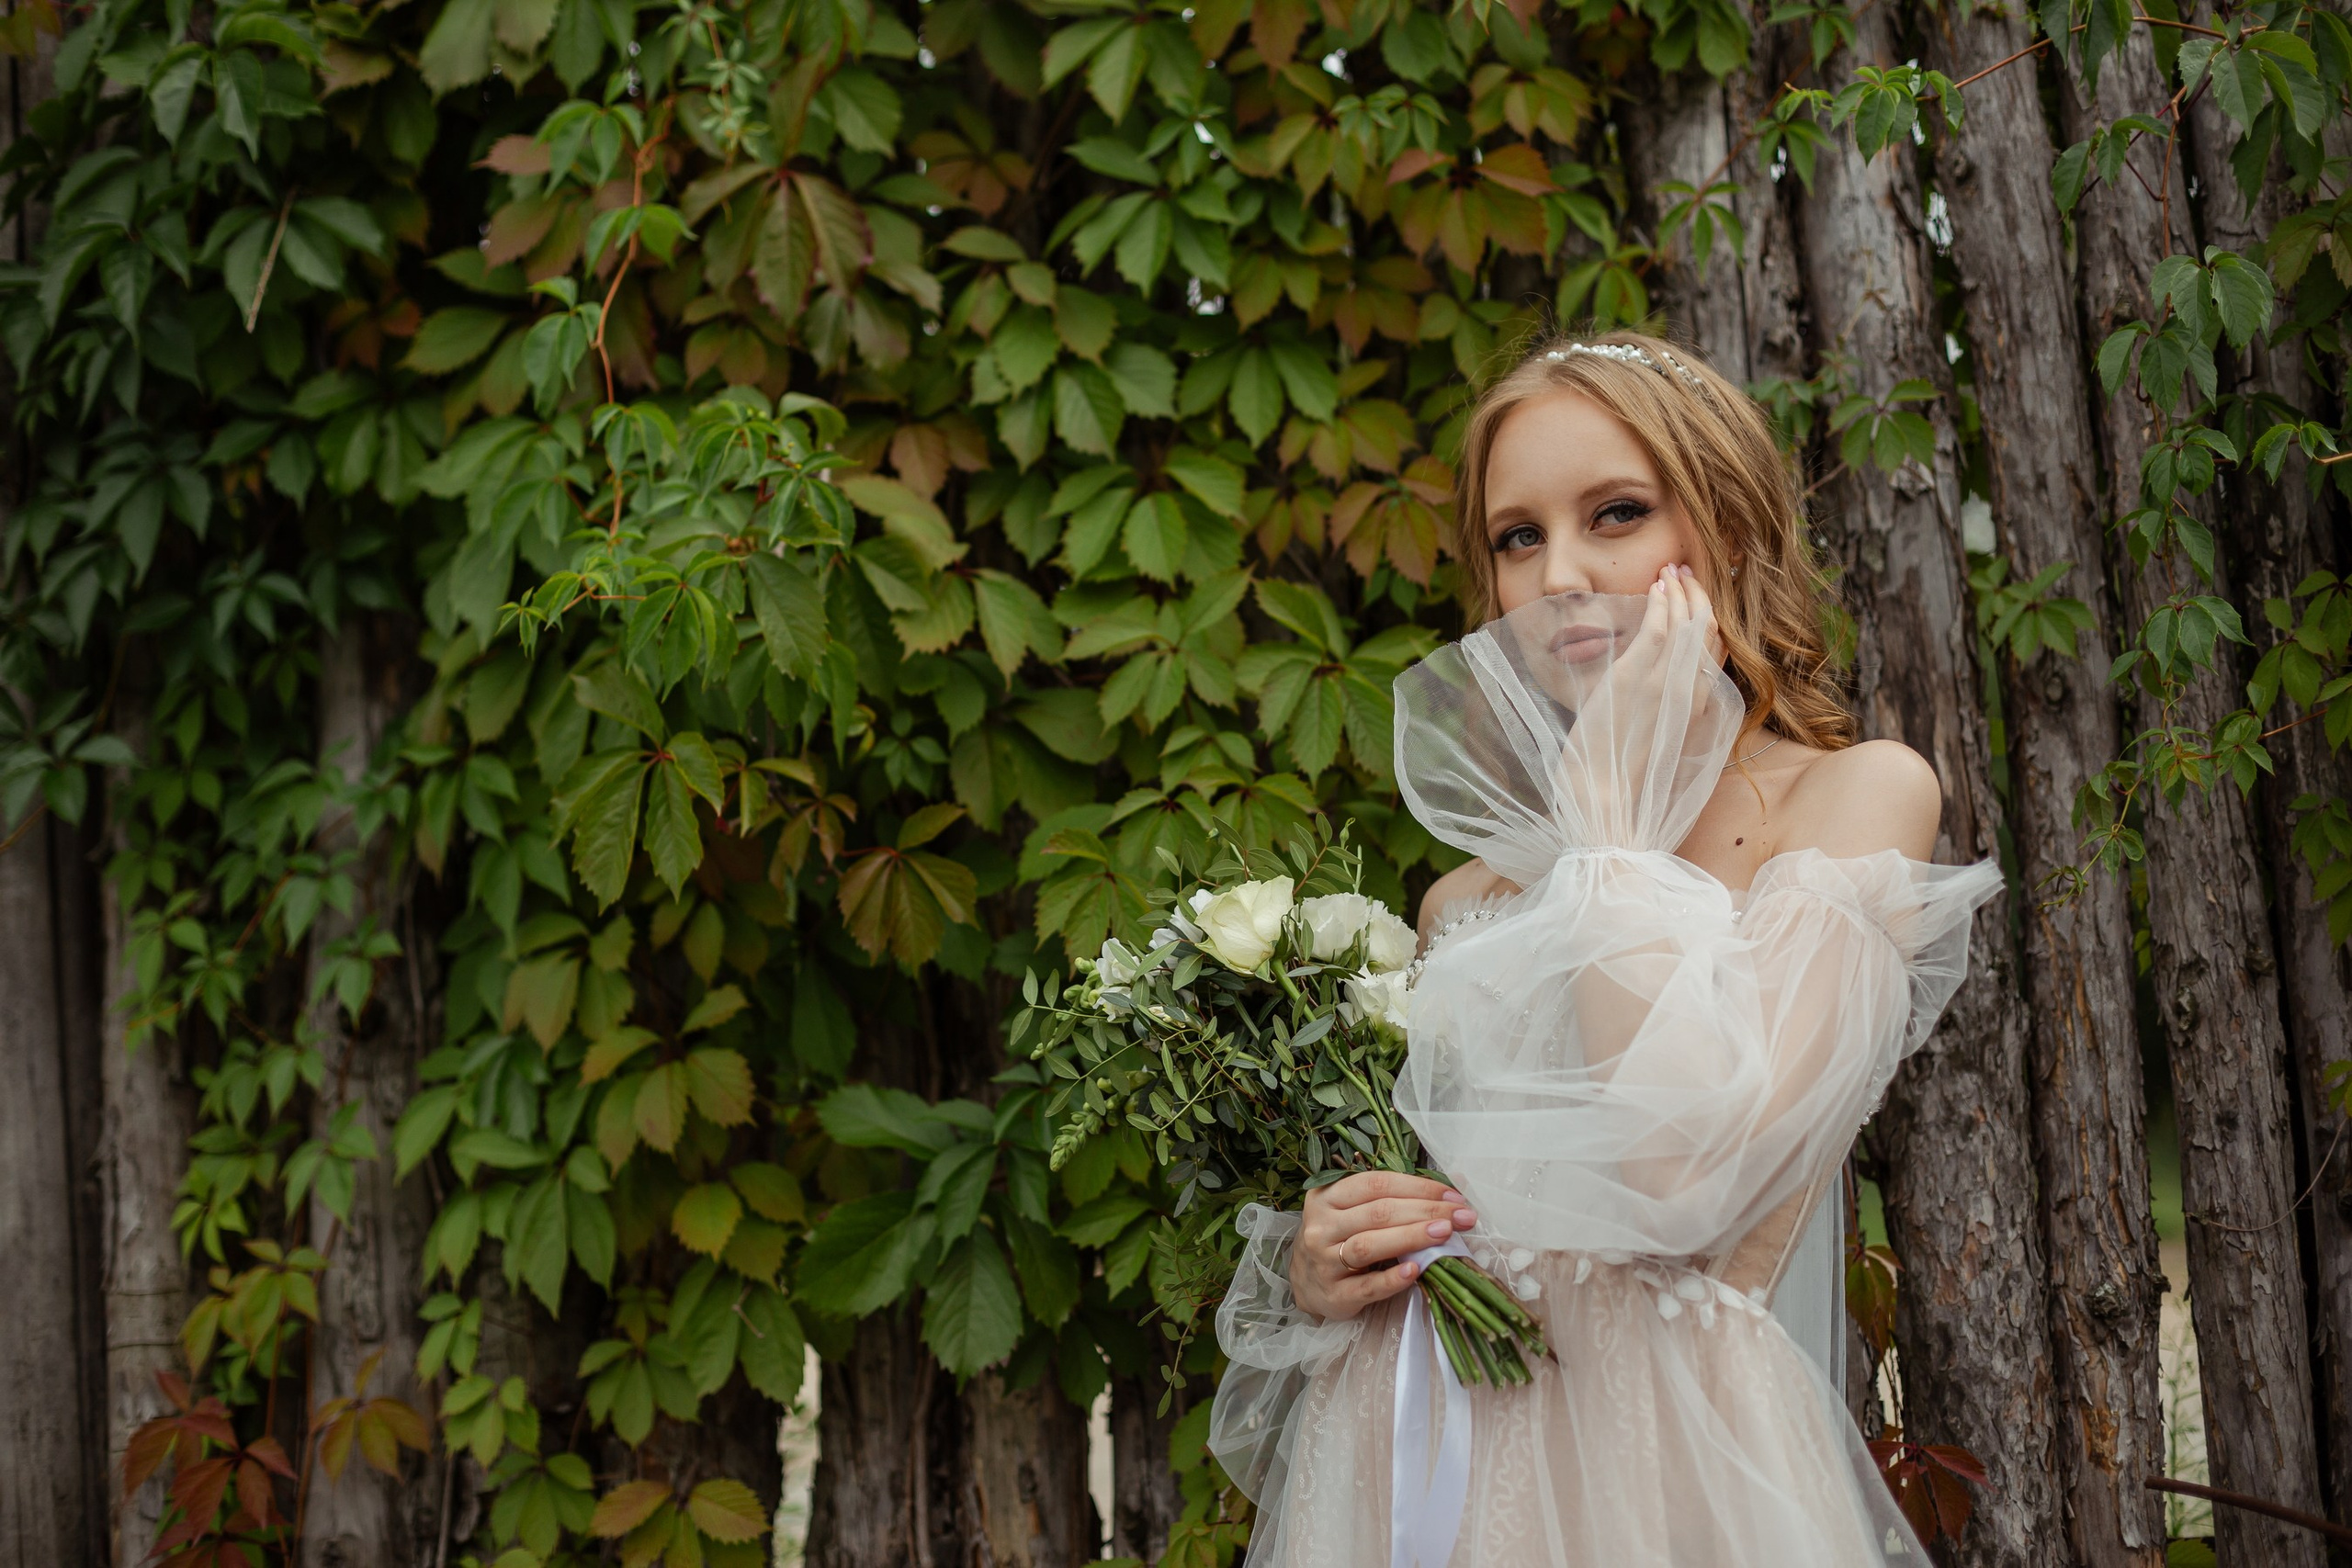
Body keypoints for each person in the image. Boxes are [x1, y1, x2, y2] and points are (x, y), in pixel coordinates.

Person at [1206, 332, 2003, 1565]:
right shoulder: (1461, 897)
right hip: (1420, 1438)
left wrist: (1614, 840)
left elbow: (1680, 1187)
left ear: (1728, 531)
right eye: (1517, 537)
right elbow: (1473, 1201)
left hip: (1660, 1456)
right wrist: (1334, 1254)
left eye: (1616, 514)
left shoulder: (1854, 801)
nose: (1560, 573)